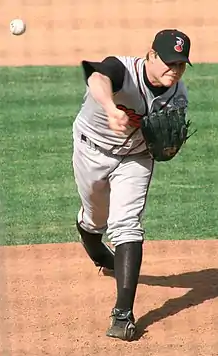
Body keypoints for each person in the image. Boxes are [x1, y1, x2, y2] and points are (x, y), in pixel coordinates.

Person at [72, 29, 192, 341]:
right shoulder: (123, 70)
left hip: (136, 159)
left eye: (180, 65)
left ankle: (122, 315)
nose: (174, 70)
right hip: (92, 150)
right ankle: (97, 250)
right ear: (150, 55)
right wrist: (111, 109)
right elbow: (97, 78)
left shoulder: (178, 95)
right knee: (94, 218)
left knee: (126, 224)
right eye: (168, 62)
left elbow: (166, 141)